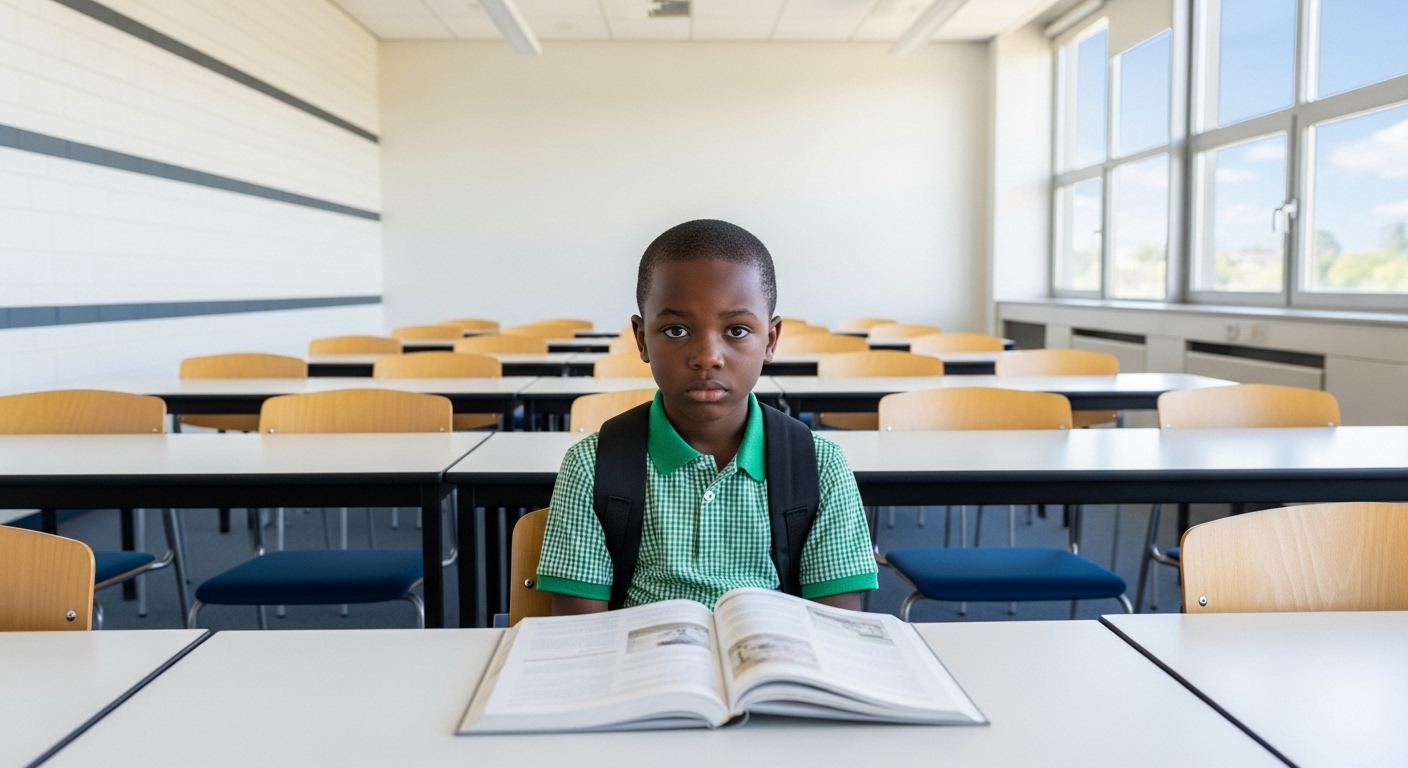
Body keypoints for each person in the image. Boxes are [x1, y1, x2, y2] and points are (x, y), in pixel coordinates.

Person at [536, 219, 878, 614]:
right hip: (642, 670)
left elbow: (835, 631)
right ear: (642, 338)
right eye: (677, 330)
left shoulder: (819, 466)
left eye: (736, 330)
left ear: (770, 340)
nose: (707, 357)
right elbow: (580, 638)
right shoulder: (592, 466)